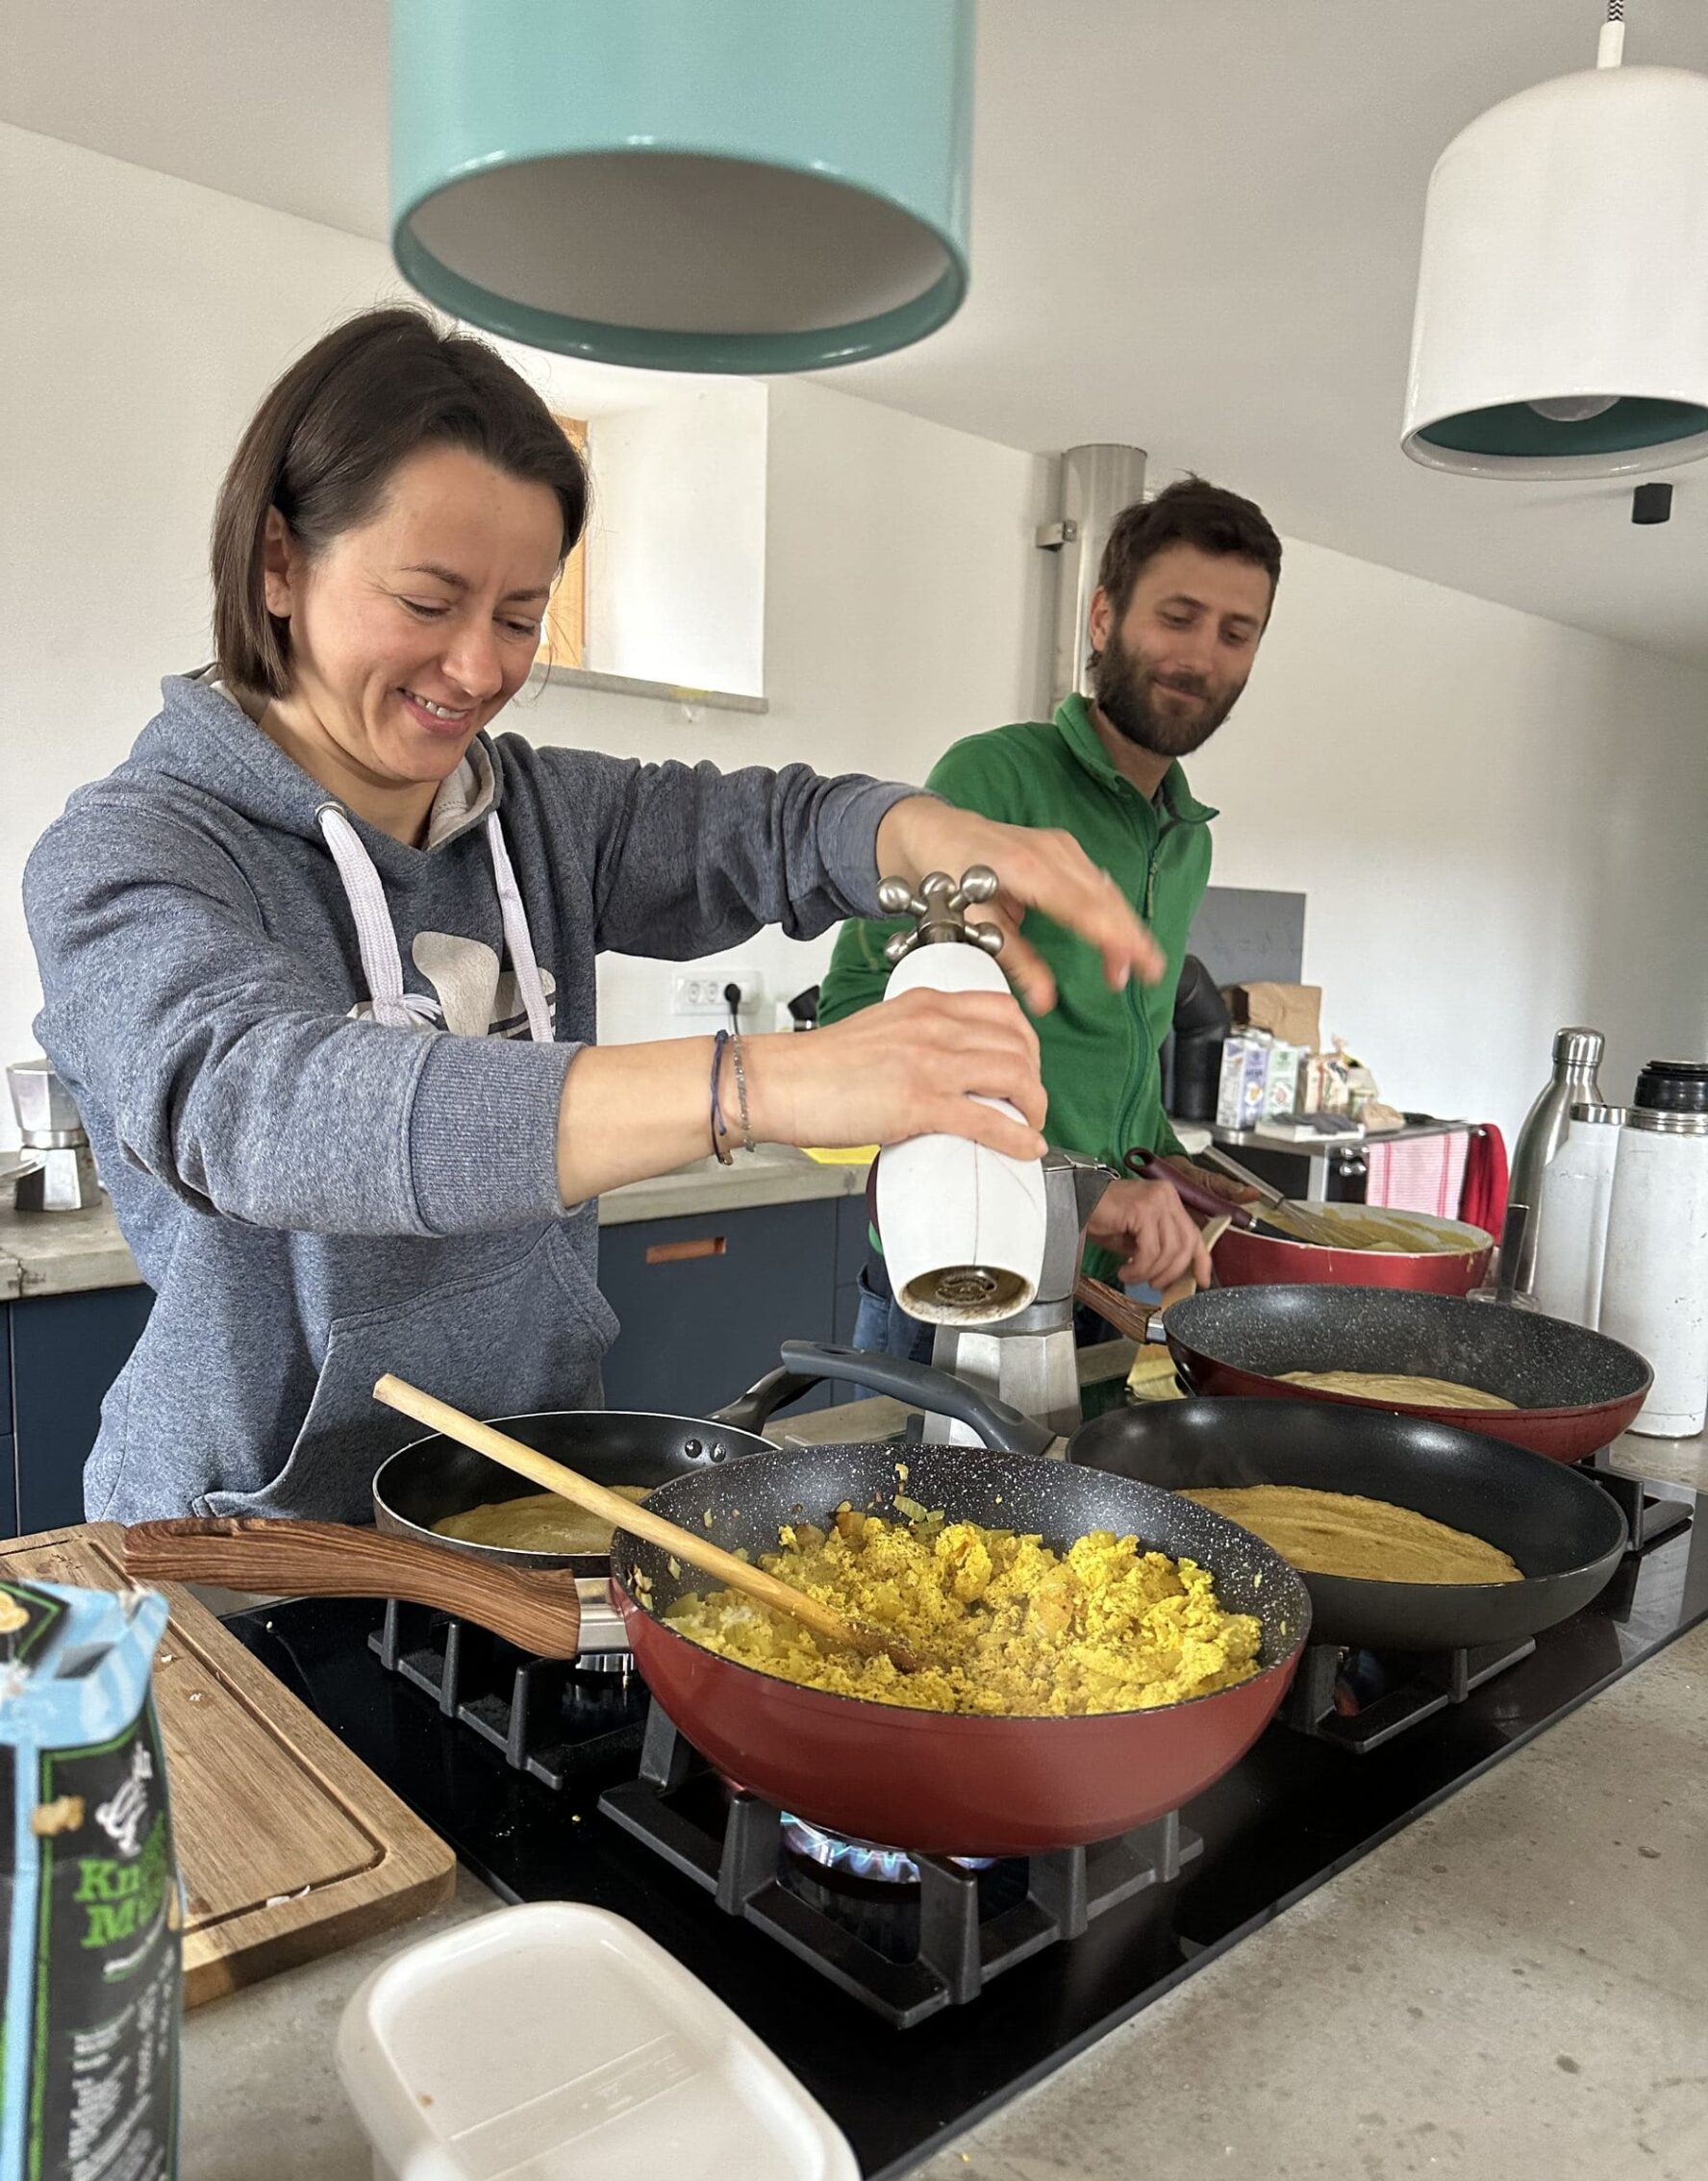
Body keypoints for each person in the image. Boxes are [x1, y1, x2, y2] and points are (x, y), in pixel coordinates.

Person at [23, 309, 1163, 1527]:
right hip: (232, 1550)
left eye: (521, 618)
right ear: (277, 565)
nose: (476, 669)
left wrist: (925, 835)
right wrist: (752, 1086)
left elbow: (774, 828)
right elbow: (265, 1106)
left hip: (529, 1499)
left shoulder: (541, 816)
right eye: (427, 600)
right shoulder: (122, 855)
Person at [816, 477, 1282, 1360]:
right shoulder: (992, 782)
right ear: (1103, 619)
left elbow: (1116, 1064)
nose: (1202, 658)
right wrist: (1088, 1191)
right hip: (953, 1268)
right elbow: (856, 1024)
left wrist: (1163, 1167)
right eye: (1177, 617)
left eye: (1236, 632)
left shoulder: (1186, 841)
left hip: (1090, 1289)